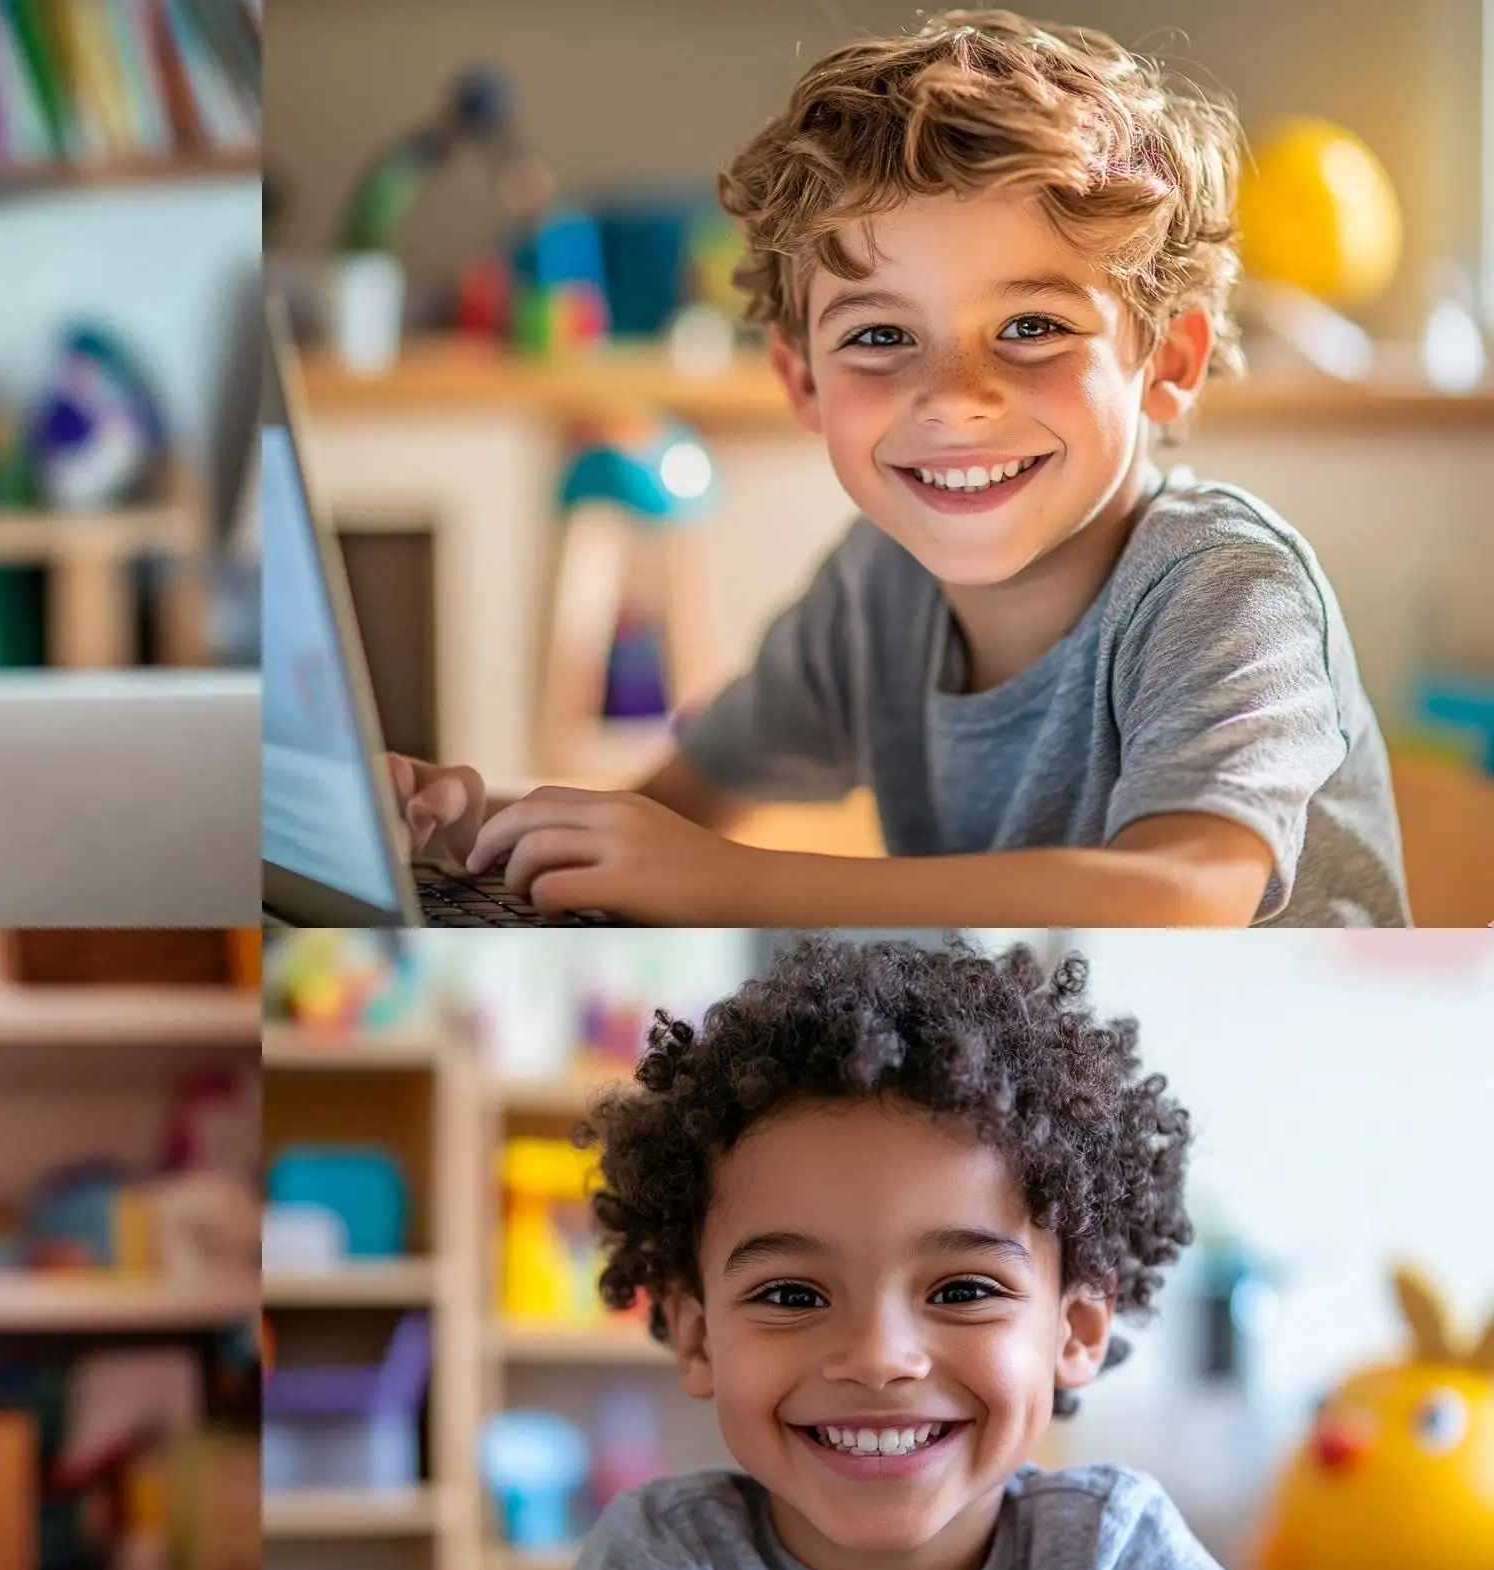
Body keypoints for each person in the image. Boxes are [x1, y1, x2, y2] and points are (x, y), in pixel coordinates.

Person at [264, 938, 1415, 1570]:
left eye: (960, 1286)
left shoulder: (1111, 1553)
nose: (877, 1353)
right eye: (791, 1291)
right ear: (694, 1326)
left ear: (1073, 1329)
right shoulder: (674, 1556)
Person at [396, 10, 1407, 928]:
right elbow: (665, 819)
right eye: (879, 333)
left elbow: (1181, 895)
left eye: (1030, 326)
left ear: (1168, 363)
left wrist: (731, 880)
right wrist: (480, 827)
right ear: (802, 383)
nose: (955, 395)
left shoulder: (1227, 589)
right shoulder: (874, 589)